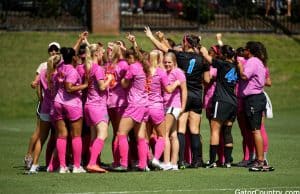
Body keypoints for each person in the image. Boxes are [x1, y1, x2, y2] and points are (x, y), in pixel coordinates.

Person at [144, 26, 210, 169]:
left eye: (183, 41)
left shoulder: (181, 57)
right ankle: (197, 160)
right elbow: (207, 79)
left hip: (182, 95)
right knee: (194, 130)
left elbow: (164, 49)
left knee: (178, 130)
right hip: (198, 95)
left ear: (186, 42)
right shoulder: (201, 59)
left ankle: (179, 161)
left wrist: (151, 37)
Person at [200, 45, 238, 168]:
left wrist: (200, 46)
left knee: (215, 130)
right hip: (233, 102)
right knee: (227, 132)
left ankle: (212, 161)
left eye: (222, 53)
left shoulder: (222, 64)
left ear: (225, 55)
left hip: (221, 101)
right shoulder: (236, 66)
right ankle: (227, 161)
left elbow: (206, 56)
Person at [24, 42, 60, 169]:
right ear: (48, 51)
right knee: (42, 133)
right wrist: (40, 98)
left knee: (45, 136)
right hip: (53, 106)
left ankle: (36, 163)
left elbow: (37, 83)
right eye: (51, 50)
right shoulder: (49, 67)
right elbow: (36, 84)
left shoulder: (48, 68)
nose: (54, 52)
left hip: (46, 105)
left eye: (56, 50)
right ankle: (29, 156)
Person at [113, 47, 150, 172]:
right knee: (140, 136)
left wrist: (121, 77)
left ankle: (123, 164)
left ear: (131, 57)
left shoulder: (133, 67)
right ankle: (143, 164)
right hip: (145, 104)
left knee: (121, 133)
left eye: (128, 58)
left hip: (135, 104)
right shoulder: (143, 65)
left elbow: (124, 84)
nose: (127, 61)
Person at [53, 47, 88, 173]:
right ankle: (77, 166)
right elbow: (69, 88)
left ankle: (62, 166)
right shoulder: (73, 71)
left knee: (62, 135)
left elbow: (68, 52)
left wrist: (79, 41)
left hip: (58, 102)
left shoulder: (61, 66)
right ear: (73, 58)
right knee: (76, 136)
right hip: (71, 104)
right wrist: (85, 85)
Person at [237, 41, 271, 171]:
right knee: (255, 129)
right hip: (257, 98)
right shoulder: (259, 62)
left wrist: (240, 66)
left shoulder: (252, 61)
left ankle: (260, 160)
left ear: (249, 51)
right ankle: (259, 159)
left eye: (245, 49)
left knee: (255, 130)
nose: (244, 51)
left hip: (253, 99)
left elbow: (245, 75)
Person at [84, 43, 113, 173]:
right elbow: (102, 87)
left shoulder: (89, 67)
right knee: (103, 134)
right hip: (98, 106)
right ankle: (92, 163)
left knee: (94, 136)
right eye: (101, 52)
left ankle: (93, 162)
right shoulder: (98, 68)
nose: (103, 54)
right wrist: (110, 79)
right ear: (96, 53)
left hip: (89, 105)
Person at [161, 52, 187, 170]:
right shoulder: (165, 72)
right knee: (173, 134)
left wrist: (183, 107)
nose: (167, 64)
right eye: (165, 62)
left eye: (169, 62)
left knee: (164, 134)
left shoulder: (178, 72)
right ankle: (174, 163)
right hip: (168, 106)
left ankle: (167, 163)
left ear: (174, 62)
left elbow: (184, 90)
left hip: (173, 106)